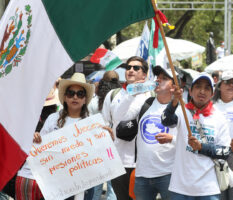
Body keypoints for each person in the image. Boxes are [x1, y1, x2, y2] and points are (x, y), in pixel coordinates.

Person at [27, 73, 113, 200]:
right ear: (65, 97)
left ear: (85, 99)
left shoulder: (93, 123)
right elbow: (41, 148)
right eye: (71, 93)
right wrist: (36, 138)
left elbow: (105, 155)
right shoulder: (53, 119)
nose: (75, 97)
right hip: (55, 182)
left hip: (84, 184)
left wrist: (110, 140)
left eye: (80, 94)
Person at [161, 72, 231, 199]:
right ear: (191, 91)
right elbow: (166, 121)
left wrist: (201, 147)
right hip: (179, 188)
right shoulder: (181, 111)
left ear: (212, 94)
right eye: (198, 87)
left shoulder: (220, 118)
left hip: (208, 190)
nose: (202, 91)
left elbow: (225, 152)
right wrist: (174, 101)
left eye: (207, 88)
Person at [116, 66, 178, 200]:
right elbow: (118, 118)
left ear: (173, 87)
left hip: (169, 174)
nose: (158, 80)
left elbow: (189, 140)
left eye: (164, 79)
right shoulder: (146, 104)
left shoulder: (180, 109)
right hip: (142, 175)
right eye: (158, 78)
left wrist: (172, 138)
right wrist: (130, 95)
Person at [102, 56, 149, 200]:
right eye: (128, 67)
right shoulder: (113, 95)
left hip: (143, 162)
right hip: (118, 161)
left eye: (136, 68)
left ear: (145, 74)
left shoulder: (152, 96)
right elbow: (107, 122)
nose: (131, 70)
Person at [212, 70, 233, 200]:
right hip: (215, 158)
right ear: (220, 85)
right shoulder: (211, 106)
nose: (231, 85)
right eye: (227, 82)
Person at [89, 70, 120, 200]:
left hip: (97, 146)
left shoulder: (93, 102)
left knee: (96, 185)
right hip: (115, 146)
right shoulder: (119, 99)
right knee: (113, 186)